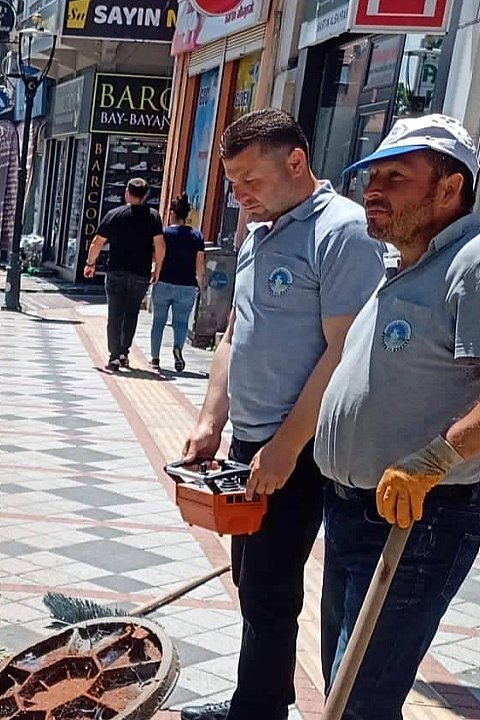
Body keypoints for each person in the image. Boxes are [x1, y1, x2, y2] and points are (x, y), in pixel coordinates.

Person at [179, 109, 385, 720]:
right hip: (250, 440)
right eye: (232, 184)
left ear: (296, 162)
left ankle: (259, 708)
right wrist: (211, 420)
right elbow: (235, 333)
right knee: (253, 580)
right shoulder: (258, 231)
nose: (239, 197)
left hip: (303, 447)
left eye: (250, 181)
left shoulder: (343, 232)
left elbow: (344, 350)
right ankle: (262, 696)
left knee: (270, 586)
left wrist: (288, 446)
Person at [314, 115, 480, 719]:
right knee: (342, 687)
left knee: (359, 701)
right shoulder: (405, 265)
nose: (373, 188)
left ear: (449, 188)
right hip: (353, 512)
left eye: (397, 176)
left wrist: (434, 460)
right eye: (371, 174)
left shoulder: (478, 263)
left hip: (419, 521)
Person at [83, 178, 165, 372]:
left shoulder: (114, 215)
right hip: (141, 273)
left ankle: (114, 356)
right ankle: (123, 352)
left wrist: (90, 263)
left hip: (116, 271)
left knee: (115, 312)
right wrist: (158, 268)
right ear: (145, 196)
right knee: (131, 312)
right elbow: (160, 246)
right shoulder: (153, 217)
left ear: (127, 192)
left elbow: (97, 241)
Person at [149, 193, 205, 372]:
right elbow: (200, 264)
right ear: (187, 214)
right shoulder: (196, 236)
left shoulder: (164, 233)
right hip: (187, 285)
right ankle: (178, 349)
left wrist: (155, 273)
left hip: (164, 281)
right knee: (181, 323)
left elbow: (158, 256)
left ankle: (155, 359)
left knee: (158, 321)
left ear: (171, 212)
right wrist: (200, 282)